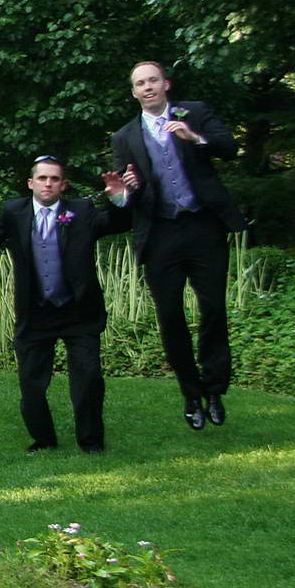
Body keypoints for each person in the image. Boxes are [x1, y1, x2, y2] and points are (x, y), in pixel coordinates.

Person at [111, 61, 246, 430]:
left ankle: (214, 389)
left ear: (166, 84)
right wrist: (125, 192)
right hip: (160, 233)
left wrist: (195, 138)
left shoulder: (195, 113)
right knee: (170, 316)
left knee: (213, 309)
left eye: (153, 80)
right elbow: (128, 197)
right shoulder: (125, 137)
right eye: (140, 83)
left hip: (203, 225)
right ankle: (191, 394)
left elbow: (229, 148)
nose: (148, 87)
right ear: (134, 92)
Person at [0, 157, 134, 452]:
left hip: (79, 311)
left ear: (63, 185)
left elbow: (116, 223)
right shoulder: (13, 212)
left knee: (89, 379)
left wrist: (119, 198)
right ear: (31, 183)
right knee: (31, 383)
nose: (48, 184)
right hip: (35, 312)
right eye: (42, 178)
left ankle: (91, 441)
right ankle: (43, 440)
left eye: (54, 179)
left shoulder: (81, 211)